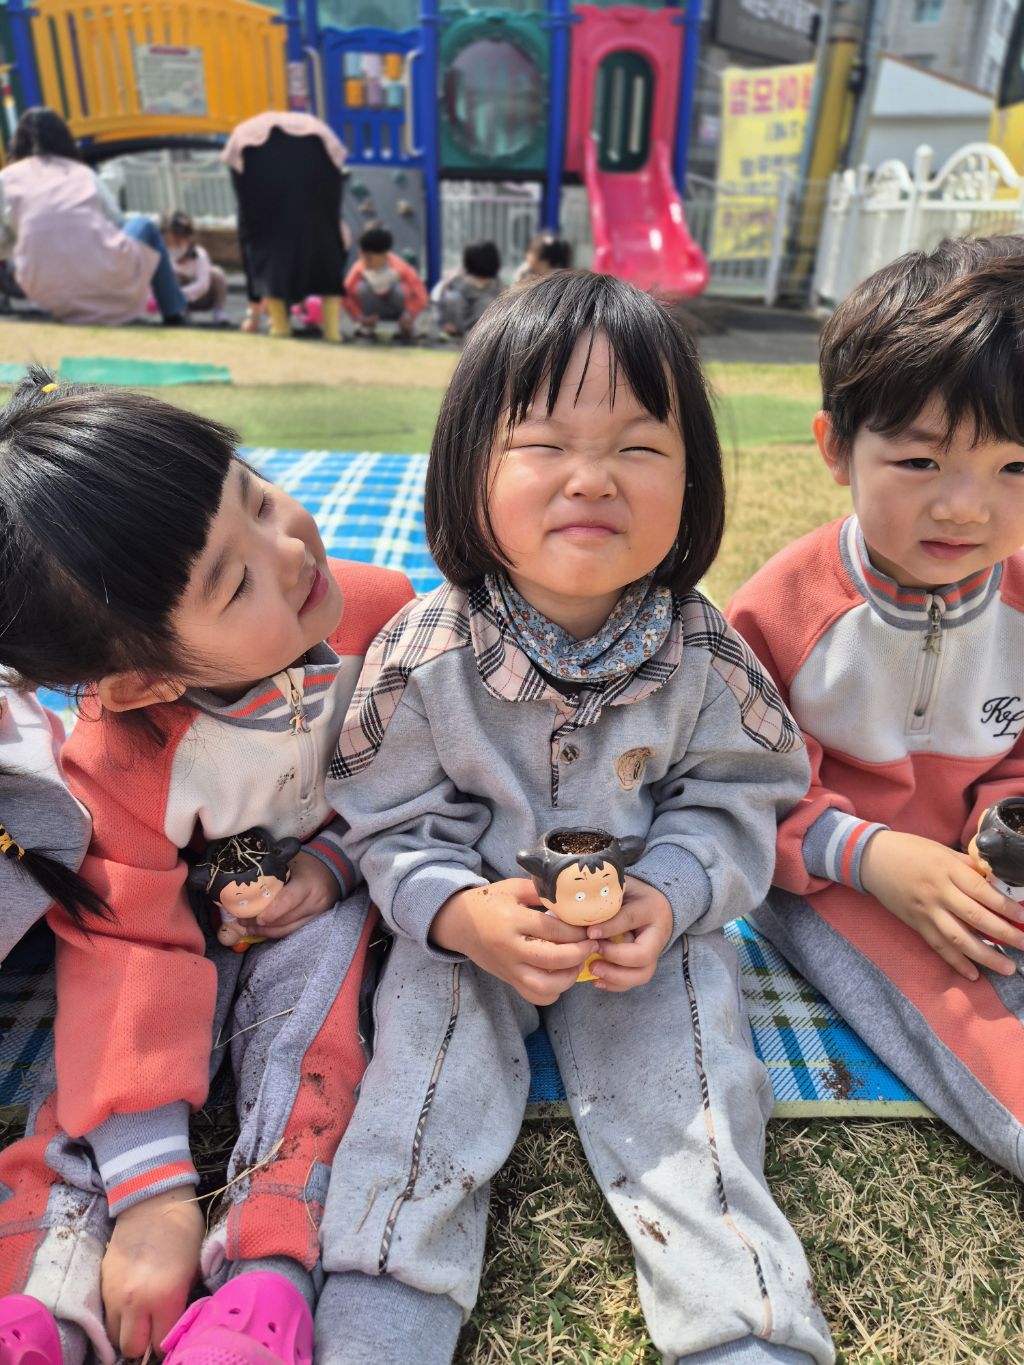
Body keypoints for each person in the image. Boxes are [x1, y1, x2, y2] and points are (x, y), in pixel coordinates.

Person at [318, 272, 835, 1365]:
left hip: (643, 940)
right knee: (421, 1080)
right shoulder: (422, 655)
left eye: (639, 447)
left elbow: (742, 794)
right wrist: (458, 914)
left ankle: (745, 1325)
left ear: (693, 481)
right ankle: (381, 1308)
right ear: (468, 466)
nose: (591, 478)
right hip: (469, 936)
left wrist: (673, 894)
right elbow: (383, 818)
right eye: (543, 444)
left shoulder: (706, 655)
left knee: (697, 1097)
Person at [0, 370, 414, 1364]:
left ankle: (270, 1262)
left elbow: (416, 784)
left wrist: (329, 865)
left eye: (257, 496)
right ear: (145, 681)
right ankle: (50, 1278)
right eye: (233, 582)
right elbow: (126, 950)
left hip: (318, 887)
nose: (291, 550)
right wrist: (153, 1197)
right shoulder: (120, 760)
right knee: (96, 1051)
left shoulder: (383, 617)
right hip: (186, 899)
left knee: (320, 1006)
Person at [725, 236, 1024, 1187]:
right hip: (826, 872)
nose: (966, 507)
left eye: (1016, 467)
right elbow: (735, 785)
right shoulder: (778, 612)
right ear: (836, 448)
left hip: (979, 862)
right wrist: (876, 857)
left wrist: (1002, 829)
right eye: (922, 459)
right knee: (957, 1000)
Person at [0, 107, 187, 325]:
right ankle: (173, 312)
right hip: (101, 275)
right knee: (143, 225)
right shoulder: (82, 173)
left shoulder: (7, 178)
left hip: (41, 285)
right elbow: (117, 223)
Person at [224, 111, 348, 342]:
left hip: (256, 162)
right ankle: (332, 331)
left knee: (268, 249)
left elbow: (247, 228)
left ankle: (280, 326)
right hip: (318, 164)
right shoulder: (316, 129)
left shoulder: (245, 134)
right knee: (325, 248)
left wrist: (253, 314)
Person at [343, 224, 427, 341]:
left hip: (398, 311)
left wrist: (409, 315)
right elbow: (344, 293)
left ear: (384, 254)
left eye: (369, 258)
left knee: (400, 288)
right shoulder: (359, 267)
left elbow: (421, 295)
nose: (365, 262)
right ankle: (365, 328)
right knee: (362, 287)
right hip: (371, 313)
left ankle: (406, 328)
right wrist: (359, 317)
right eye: (363, 257)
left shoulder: (400, 267)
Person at [162, 210, 230, 324]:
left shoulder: (199, 254)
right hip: (178, 302)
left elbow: (203, 284)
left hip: (203, 298)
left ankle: (219, 311)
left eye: (182, 238)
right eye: (173, 240)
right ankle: (182, 313)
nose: (177, 243)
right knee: (174, 277)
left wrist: (179, 294)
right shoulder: (164, 257)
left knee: (217, 273)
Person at [436, 239, 503, 338]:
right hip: (457, 327)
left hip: (479, 331)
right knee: (454, 298)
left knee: (486, 303)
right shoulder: (455, 280)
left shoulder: (497, 287)